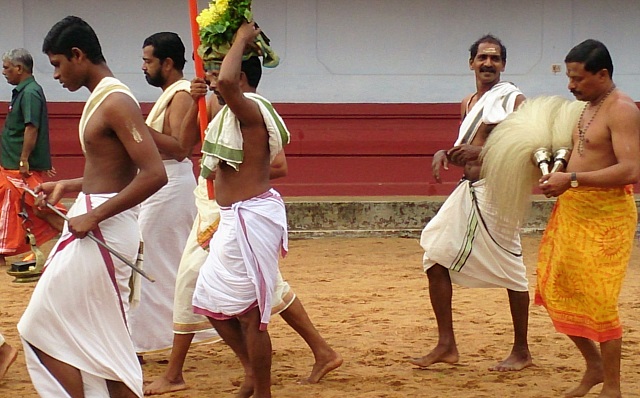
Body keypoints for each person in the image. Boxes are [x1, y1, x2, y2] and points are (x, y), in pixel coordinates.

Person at [144, 60, 342, 396]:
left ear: (238, 78)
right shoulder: (223, 113)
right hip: (224, 212)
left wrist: (241, 36)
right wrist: (196, 101)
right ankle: (266, 367)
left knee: (251, 312)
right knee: (208, 298)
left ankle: (255, 385)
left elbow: (274, 164)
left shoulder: (252, 112)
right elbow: (190, 143)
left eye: (217, 74)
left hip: (247, 215)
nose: (211, 80)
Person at [17, 15, 167, 398]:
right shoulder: (105, 98)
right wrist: (68, 185)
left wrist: (95, 214)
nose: (55, 75)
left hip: (104, 227)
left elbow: (153, 174)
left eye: (56, 64)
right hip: (95, 222)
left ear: (78, 55)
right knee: (100, 337)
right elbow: (114, 170)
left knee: (38, 326)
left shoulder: (116, 101)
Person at [410, 34, 533, 372]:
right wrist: (444, 153)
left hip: (498, 191)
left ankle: (522, 350)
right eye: (482, 58)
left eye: (495, 58)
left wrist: (481, 152)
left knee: (512, 271)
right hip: (468, 190)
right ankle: (446, 345)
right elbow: (466, 145)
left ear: (503, 65)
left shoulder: (515, 99)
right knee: (434, 256)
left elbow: (528, 146)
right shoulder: (468, 102)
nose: (488, 64)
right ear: (471, 63)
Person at [537, 39, 640, 398]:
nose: (570, 85)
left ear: (603, 74)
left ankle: (613, 386)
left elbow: (630, 169)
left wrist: (573, 179)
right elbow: (578, 153)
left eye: (578, 79)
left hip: (607, 216)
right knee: (557, 288)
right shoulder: (587, 106)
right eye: (569, 77)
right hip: (573, 209)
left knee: (599, 300)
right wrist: (559, 172)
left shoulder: (622, 109)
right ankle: (594, 366)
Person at [127, 32, 198, 357]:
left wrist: (138, 128)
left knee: (147, 265)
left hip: (170, 186)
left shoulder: (182, 95)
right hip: (162, 186)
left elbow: (181, 148)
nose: (143, 67)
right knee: (156, 265)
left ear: (167, 63)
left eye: (148, 61)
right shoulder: (173, 93)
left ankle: (141, 343)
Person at [0, 48, 61, 267]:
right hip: (9, 165)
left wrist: (24, 159)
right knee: (12, 206)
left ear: (19, 68)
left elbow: (32, 127)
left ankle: (71, 232)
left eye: (6, 67)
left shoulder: (30, 93)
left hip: (19, 167)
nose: (4, 72)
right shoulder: (23, 91)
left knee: (41, 206)